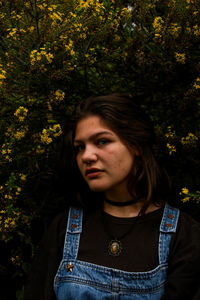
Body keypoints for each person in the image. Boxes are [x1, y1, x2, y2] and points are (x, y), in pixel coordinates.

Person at [24, 94, 200, 300]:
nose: (87, 156)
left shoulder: (183, 235)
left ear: (135, 145)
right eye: (80, 147)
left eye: (102, 141)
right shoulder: (63, 229)